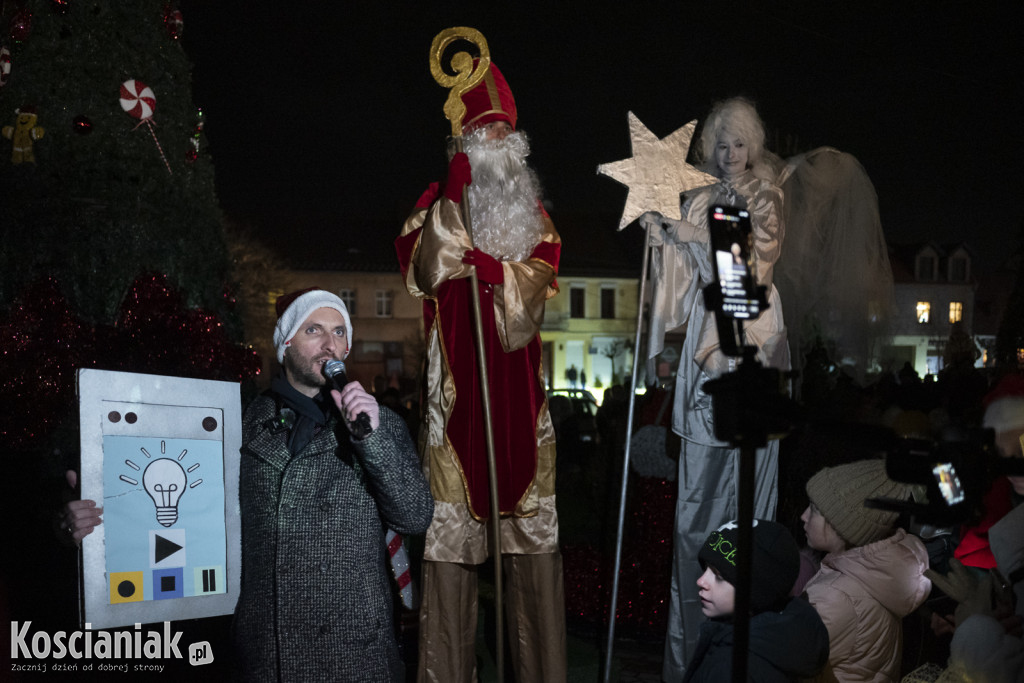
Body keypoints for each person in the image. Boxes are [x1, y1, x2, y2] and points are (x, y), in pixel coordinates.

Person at [63, 287, 435, 682]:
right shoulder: (235, 424)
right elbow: (178, 505)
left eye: (340, 332)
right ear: (285, 344)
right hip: (267, 655)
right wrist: (92, 518)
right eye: (314, 330)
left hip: (357, 655)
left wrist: (370, 437)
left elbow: (414, 516)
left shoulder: (380, 422)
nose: (331, 344)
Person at [395, 60, 566, 682]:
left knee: (534, 551)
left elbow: (545, 267)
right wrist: (452, 195)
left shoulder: (533, 210)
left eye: (502, 131)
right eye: (483, 131)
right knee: (450, 549)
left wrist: (502, 276)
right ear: (463, 143)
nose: (495, 141)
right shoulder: (437, 200)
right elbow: (420, 267)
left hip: (519, 402)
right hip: (460, 402)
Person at [640, 96, 790, 682]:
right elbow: (679, 284)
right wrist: (660, 238)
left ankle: (746, 653)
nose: (730, 156)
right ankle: (690, 663)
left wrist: (684, 232)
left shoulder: (767, 198)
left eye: (739, 144)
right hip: (707, 345)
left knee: (752, 488)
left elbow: (748, 264)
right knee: (696, 506)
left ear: (754, 146)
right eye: (721, 145)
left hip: (751, 336)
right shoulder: (699, 198)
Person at [801, 459, 931, 682]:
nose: (803, 516)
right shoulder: (873, 576)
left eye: (814, 510)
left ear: (842, 524)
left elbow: (784, 665)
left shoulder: (837, 597)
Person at [682, 519, 830, 682]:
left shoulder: (730, 667)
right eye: (706, 568)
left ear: (757, 590)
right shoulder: (782, 638)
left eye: (719, 575)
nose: (701, 581)